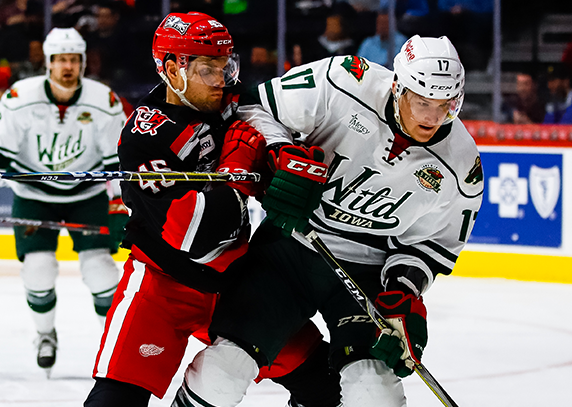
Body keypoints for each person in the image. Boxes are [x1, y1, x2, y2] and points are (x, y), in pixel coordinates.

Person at [176, 35, 483, 406]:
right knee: (220, 375)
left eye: (446, 105)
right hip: (290, 249)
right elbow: (257, 106)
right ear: (397, 86)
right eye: (422, 102)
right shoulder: (344, 80)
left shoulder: (462, 167)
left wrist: (404, 291)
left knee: (375, 394)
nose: (433, 118)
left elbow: (431, 246)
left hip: (366, 273)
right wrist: (280, 152)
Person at [84, 12, 339, 407]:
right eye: (208, 69)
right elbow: (195, 236)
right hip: (163, 285)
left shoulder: (227, 101)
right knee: (113, 402)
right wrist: (236, 170)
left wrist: (278, 155)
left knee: (325, 384)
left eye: (226, 65)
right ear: (172, 69)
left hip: (236, 284)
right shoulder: (144, 137)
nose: (222, 79)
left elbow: (260, 115)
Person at [0, 28, 127, 377]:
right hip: (33, 195)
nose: (68, 67)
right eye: (61, 60)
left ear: (82, 63)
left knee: (101, 270)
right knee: (38, 269)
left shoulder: (104, 101)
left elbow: (117, 164)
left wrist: (121, 206)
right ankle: (45, 335)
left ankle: (114, 346)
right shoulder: (20, 99)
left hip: (87, 195)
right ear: (47, 63)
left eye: (74, 60)